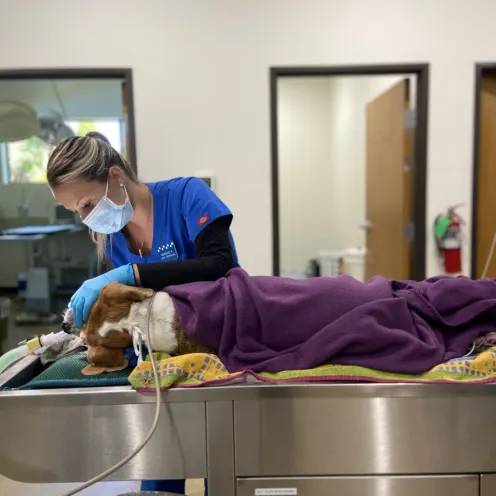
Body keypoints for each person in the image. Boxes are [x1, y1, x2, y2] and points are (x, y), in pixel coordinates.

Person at [47, 131, 238, 495]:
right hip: (159, 363)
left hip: (220, 347)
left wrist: (131, 273)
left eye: (87, 204)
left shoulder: (187, 195)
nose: (85, 218)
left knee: (222, 464)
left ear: (116, 176)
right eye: (76, 212)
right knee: (159, 467)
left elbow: (219, 265)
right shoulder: (115, 236)